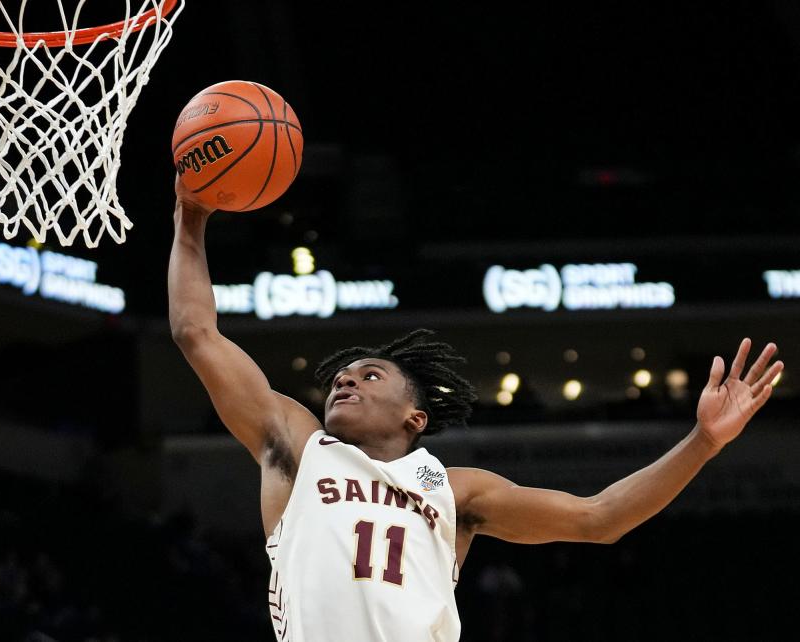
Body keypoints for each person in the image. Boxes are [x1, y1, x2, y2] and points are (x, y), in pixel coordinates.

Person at [167, 177, 784, 642]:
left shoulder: (457, 493)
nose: (345, 382)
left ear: (416, 418)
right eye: (339, 380)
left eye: (369, 374)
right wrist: (191, 216)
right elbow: (197, 333)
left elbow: (599, 519)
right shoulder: (298, 450)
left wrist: (703, 441)